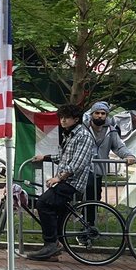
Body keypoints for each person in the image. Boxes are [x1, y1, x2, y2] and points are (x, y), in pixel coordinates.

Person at [27, 102, 97, 261]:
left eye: (67, 118)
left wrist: (58, 178)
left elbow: (78, 163)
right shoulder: (69, 134)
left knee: (43, 203)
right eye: (61, 117)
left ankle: (51, 244)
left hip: (73, 182)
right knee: (56, 214)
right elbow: (64, 158)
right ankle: (54, 249)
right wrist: (45, 157)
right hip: (66, 180)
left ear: (76, 119)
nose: (63, 121)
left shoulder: (83, 136)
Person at [82, 100, 136, 207]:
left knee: (95, 197)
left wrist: (129, 155)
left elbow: (119, 146)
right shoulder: (83, 129)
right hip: (83, 168)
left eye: (103, 113)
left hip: (99, 169)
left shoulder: (111, 131)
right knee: (86, 192)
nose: (100, 116)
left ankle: (89, 221)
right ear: (92, 114)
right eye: (97, 113)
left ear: (106, 115)